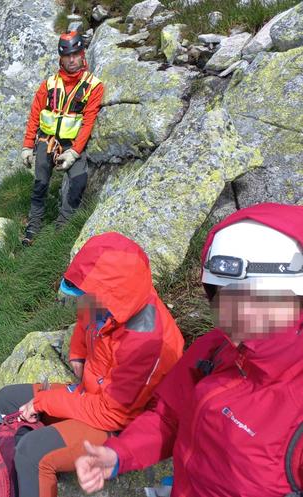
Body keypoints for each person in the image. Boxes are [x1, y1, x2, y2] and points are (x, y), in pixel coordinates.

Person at [75, 203, 303, 497]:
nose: (228, 318)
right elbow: (168, 417)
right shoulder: (216, 348)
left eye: (253, 300)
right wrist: (119, 454)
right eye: (220, 297)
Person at [0, 232, 184, 497]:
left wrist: (44, 402)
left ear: (111, 295)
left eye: (87, 295)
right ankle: (0, 483)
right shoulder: (111, 300)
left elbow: (113, 414)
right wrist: (78, 353)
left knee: (33, 454)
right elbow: (86, 323)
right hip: (93, 395)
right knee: (8, 398)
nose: (83, 301)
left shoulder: (147, 341)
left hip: (119, 423)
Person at [21, 31, 104, 246]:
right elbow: (35, 114)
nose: (73, 59)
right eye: (68, 56)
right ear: (61, 58)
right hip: (45, 141)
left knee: (78, 182)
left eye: (76, 54)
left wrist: (74, 152)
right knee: (40, 183)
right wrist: (27, 146)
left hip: (71, 144)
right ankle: (35, 224)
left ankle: (62, 226)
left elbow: (88, 120)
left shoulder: (93, 86)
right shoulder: (48, 85)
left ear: (83, 53)